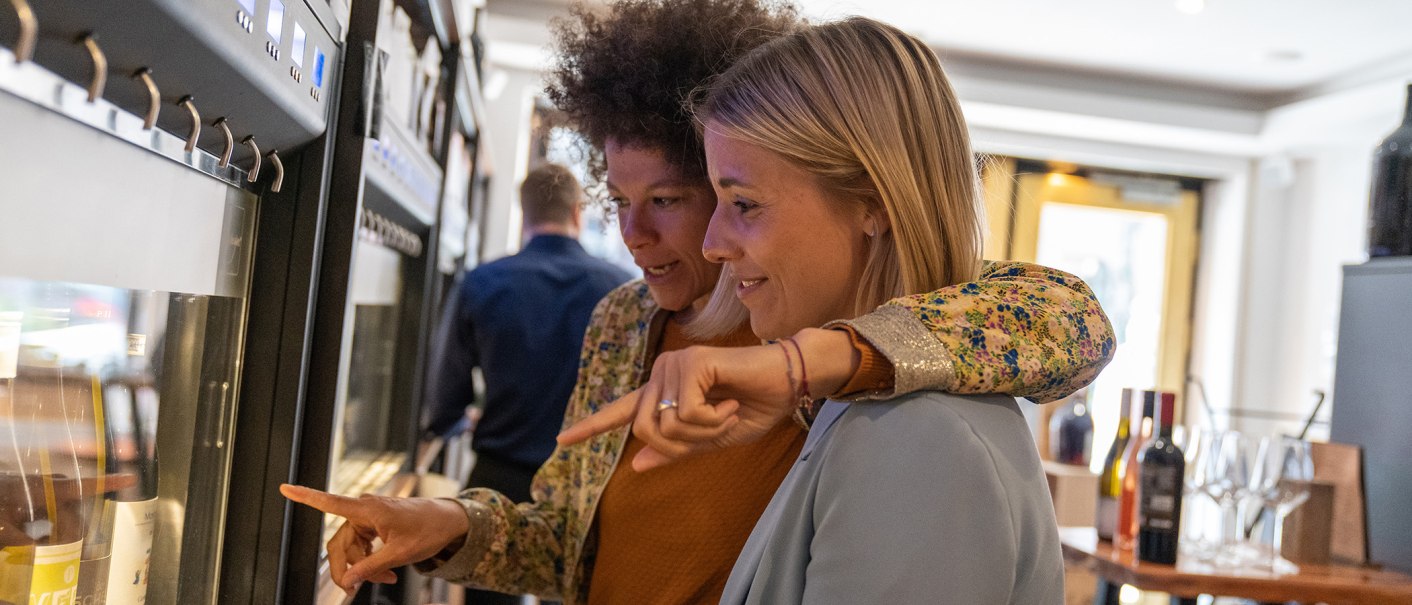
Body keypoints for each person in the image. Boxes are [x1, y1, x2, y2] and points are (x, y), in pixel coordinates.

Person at [280, 1, 1112, 603]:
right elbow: (572, 542)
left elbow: (1066, 316)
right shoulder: (624, 324)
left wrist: (804, 363)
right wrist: (447, 522)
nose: (640, 235)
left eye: (681, 198)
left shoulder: (869, 355)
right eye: (618, 199)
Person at [684, 17, 1058, 602]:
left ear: (871, 204)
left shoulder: (919, 437)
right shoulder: (868, 407)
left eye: (744, 203)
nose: (712, 243)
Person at [420, 162, 631, 603]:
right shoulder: (619, 291)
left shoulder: (482, 282)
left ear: (524, 215)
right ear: (577, 214)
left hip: (500, 478)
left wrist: (456, 422)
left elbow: (445, 398)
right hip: (586, 486)